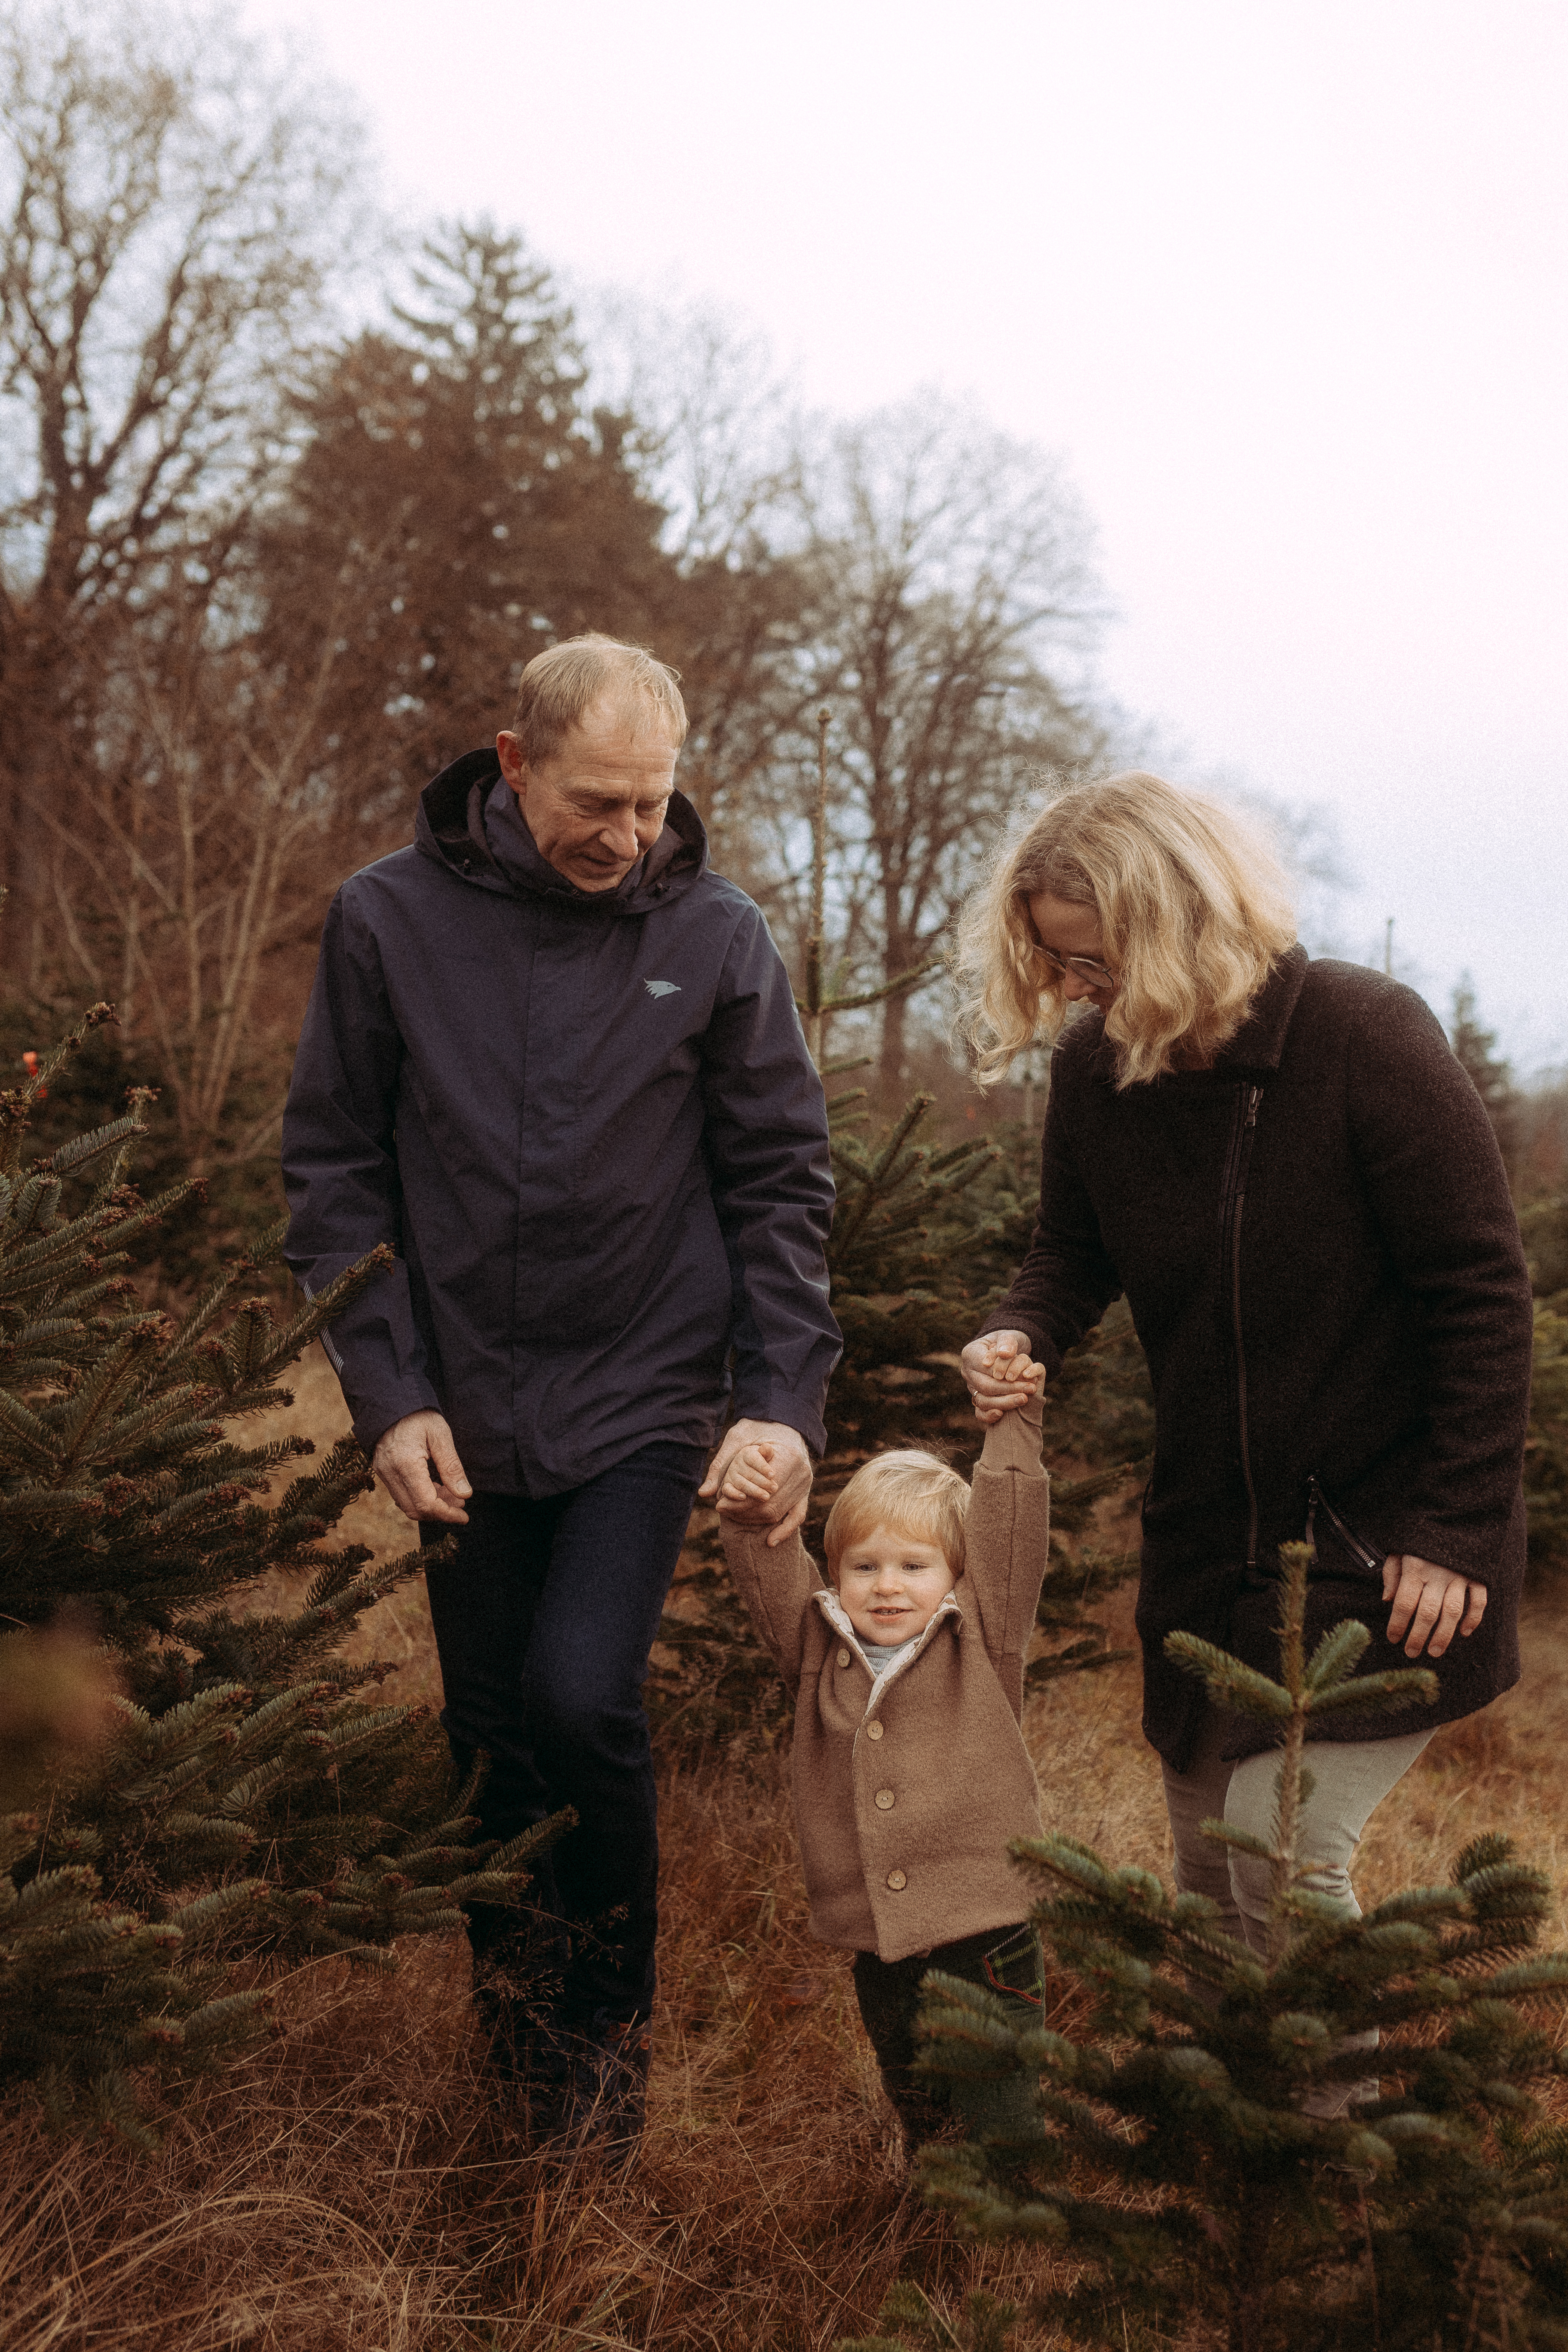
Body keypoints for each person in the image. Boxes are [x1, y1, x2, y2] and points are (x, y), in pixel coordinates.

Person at [281, 634, 840, 2150]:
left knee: (579, 1700)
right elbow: (333, 1172)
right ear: (513, 765)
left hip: (644, 1393)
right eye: (598, 800)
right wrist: (386, 1392)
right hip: (455, 1407)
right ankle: (517, 2040)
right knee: (486, 1731)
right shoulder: (384, 923)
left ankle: (600, 2057)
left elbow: (780, 1182)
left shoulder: (715, 937)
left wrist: (778, 1398)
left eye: (652, 804)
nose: (629, 835)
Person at [955, 771, 1534, 2093]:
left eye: (1089, 956)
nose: (1067, 984)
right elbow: (1068, 1251)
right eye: (1048, 956)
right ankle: (1242, 2193)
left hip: (1386, 1547)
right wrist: (1019, 1331)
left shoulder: (1364, 1036)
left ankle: (1334, 2181)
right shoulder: (1099, 1072)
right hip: (1209, 1541)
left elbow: (1482, 1291)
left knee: (1292, 1856)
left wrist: (1450, 1530)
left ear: (1174, 923)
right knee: (1210, 1872)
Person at [717, 1351, 1050, 2144]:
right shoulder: (817, 1648)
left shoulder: (983, 1635)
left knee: (998, 2110)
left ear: (958, 1575)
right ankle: (931, 2233)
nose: (888, 1586)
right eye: (863, 1567)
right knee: (919, 2102)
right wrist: (750, 1505)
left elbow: (1010, 1525)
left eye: (913, 1565)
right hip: (877, 1940)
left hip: (986, 1933)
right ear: (835, 1574)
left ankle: (1011, 2250)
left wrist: (1012, 1422)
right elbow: (767, 1566)